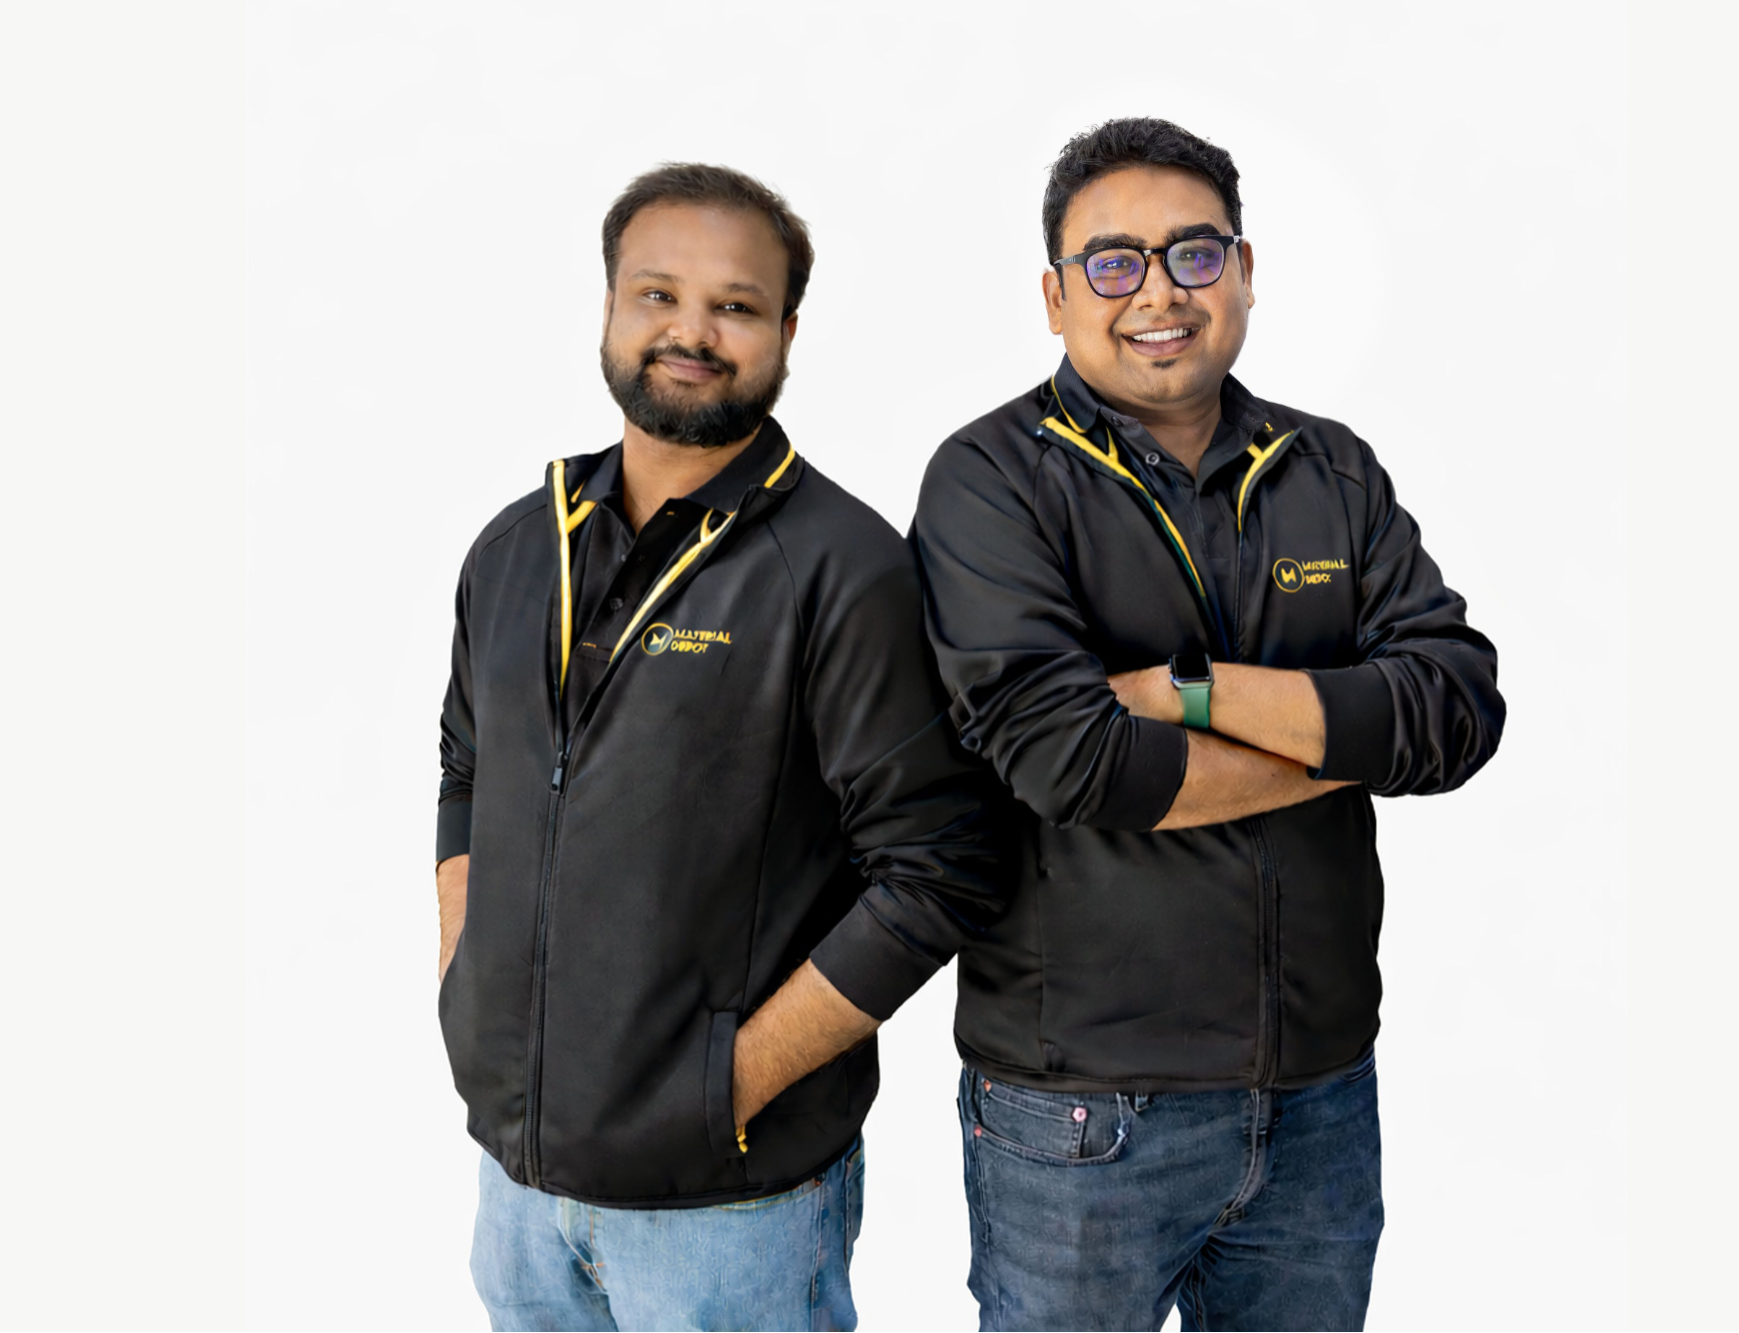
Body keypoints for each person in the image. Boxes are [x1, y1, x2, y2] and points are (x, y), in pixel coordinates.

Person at [912, 118, 1505, 1332]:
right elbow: (1074, 762)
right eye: (1111, 262)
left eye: (1191, 253)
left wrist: (1190, 691)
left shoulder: (1329, 470)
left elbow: (1454, 710)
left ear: (1240, 271)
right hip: (1080, 1111)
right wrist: (1341, 742)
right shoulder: (989, 480)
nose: (1157, 293)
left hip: (1319, 1096)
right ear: (1054, 297)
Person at [434, 163, 1004, 1332]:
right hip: (516, 1188)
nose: (689, 331)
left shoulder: (841, 567)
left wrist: (719, 1087)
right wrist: (466, 991)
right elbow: (466, 768)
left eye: (734, 306)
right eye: (657, 294)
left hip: (728, 1213)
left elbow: (942, 868)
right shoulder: (516, 548)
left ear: (786, 333)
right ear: (608, 306)